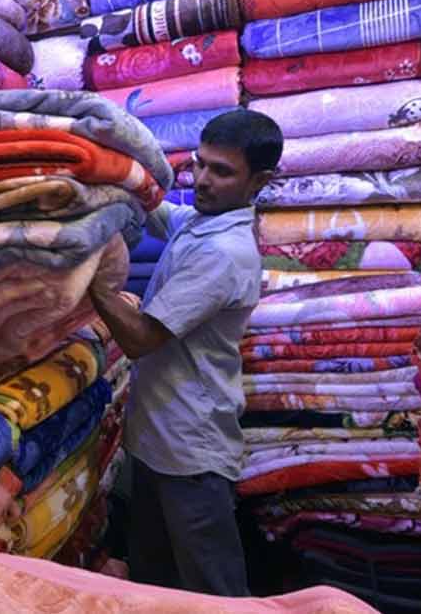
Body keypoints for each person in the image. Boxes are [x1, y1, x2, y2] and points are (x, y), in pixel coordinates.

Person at [88, 109, 283, 597]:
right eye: (200, 164)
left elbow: (138, 339)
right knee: (156, 578)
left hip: (190, 449)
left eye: (222, 171)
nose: (202, 180)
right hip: (157, 436)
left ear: (260, 181)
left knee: (214, 586)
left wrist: (90, 276)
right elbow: (162, 213)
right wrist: (119, 171)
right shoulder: (204, 223)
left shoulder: (225, 253)